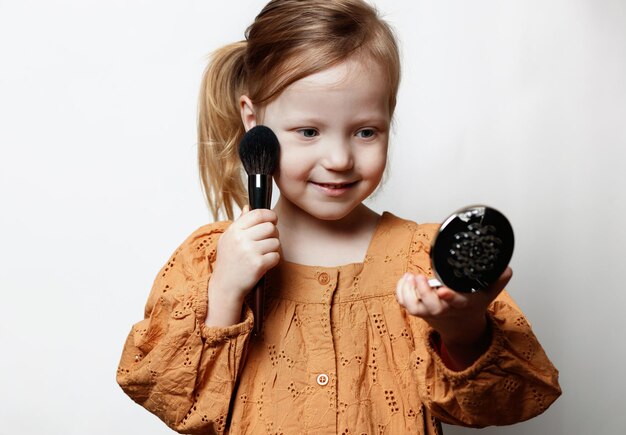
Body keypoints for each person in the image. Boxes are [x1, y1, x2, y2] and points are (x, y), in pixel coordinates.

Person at [116, 1, 561, 433]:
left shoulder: (422, 260)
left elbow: (512, 400)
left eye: (365, 131)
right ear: (254, 122)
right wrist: (225, 294)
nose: (339, 158)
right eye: (308, 131)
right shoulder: (210, 259)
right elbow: (170, 400)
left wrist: (463, 328)